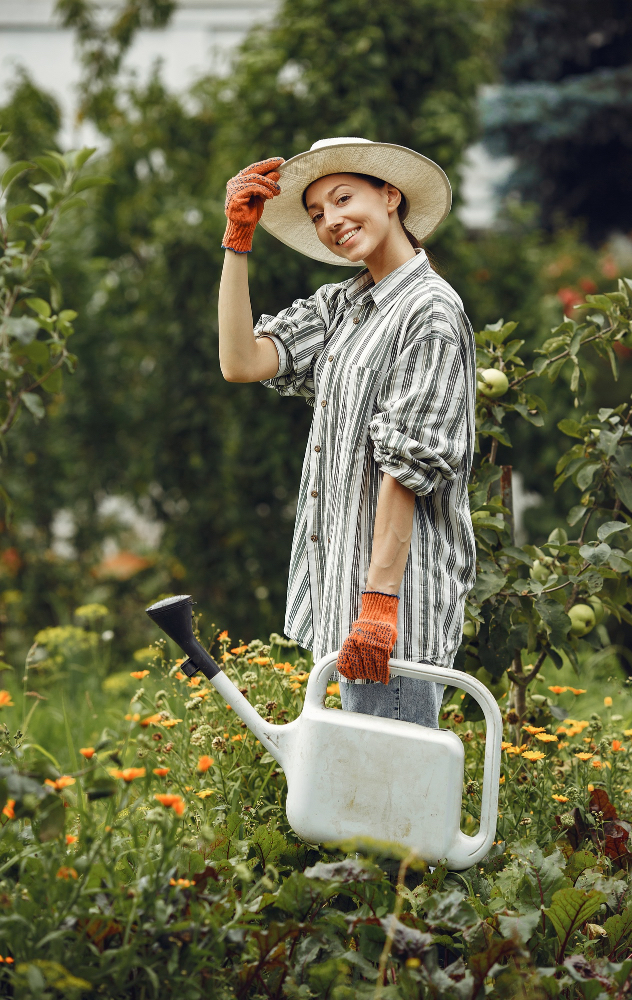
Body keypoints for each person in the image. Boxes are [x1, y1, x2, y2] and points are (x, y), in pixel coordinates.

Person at [218, 137, 476, 730]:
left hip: (393, 612)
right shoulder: (347, 306)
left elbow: (406, 467)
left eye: (342, 199)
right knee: (366, 797)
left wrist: (380, 606)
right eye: (316, 214)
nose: (332, 221)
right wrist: (237, 245)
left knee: (395, 801)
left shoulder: (430, 310)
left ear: (390, 197)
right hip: (346, 600)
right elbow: (241, 362)